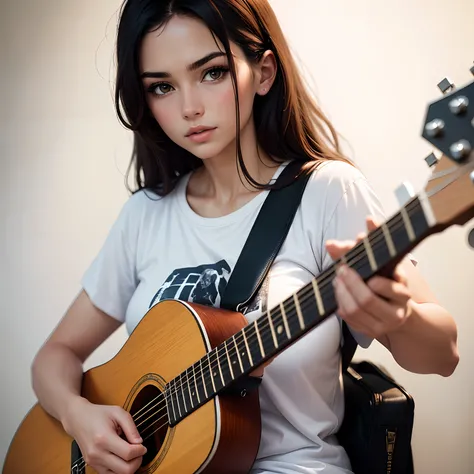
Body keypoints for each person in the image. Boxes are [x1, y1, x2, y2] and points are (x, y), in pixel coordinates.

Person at [30, 1, 459, 473]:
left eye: (211, 72)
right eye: (162, 86)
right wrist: (78, 417)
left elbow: (444, 354)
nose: (189, 106)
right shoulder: (145, 216)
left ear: (264, 72)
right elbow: (56, 355)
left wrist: (396, 319)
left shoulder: (327, 192)